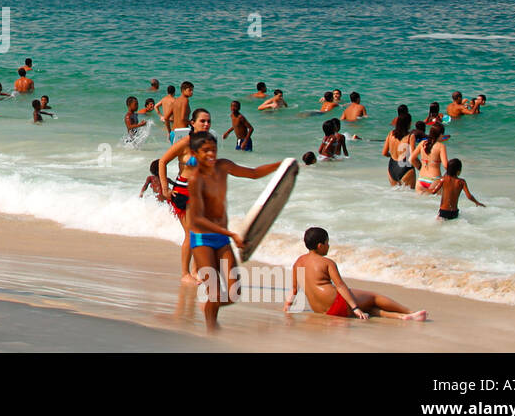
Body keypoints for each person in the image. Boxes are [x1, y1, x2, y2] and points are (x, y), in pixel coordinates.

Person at [183, 131, 282, 330]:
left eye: (214, 149)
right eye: (205, 151)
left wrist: (281, 166)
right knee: (215, 292)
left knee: (234, 293)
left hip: (221, 238)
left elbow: (253, 173)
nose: (211, 154)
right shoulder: (195, 179)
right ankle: (211, 328)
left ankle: (209, 309)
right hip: (202, 240)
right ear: (195, 153)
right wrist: (232, 235)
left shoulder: (224, 166)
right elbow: (198, 219)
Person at [285, 227, 426, 321]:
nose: (329, 246)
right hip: (337, 304)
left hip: (321, 311)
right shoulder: (327, 262)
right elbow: (340, 286)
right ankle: (409, 311)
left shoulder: (298, 262)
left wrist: (287, 307)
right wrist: (355, 307)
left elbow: (294, 290)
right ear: (320, 246)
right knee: (374, 297)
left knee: (370, 309)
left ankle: (401, 317)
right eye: (327, 242)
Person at [156, 108, 214, 284]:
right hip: (183, 192)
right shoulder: (186, 142)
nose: (206, 124)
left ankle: (196, 271)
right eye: (202, 121)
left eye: (208, 121)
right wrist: (165, 189)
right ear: (192, 123)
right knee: (191, 234)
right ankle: (184, 274)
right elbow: (162, 161)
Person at [381, 113, 417, 187]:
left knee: (395, 196)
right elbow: (413, 157)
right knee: (409, 196)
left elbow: (384, 153)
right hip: (405, 166)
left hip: (392, 167)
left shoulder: (391, 134)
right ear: (408, 123)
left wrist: (391, 155)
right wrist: (420, 167)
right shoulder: (410, 136)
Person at [411, 124, 448, 194]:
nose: (443, 136)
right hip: (434, 179)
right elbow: (446, 166)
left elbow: (411, 159)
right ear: (440, 135)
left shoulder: (422, 143)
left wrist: (419, 167)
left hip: (421, 179)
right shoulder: (441, 146)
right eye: (442, 134)